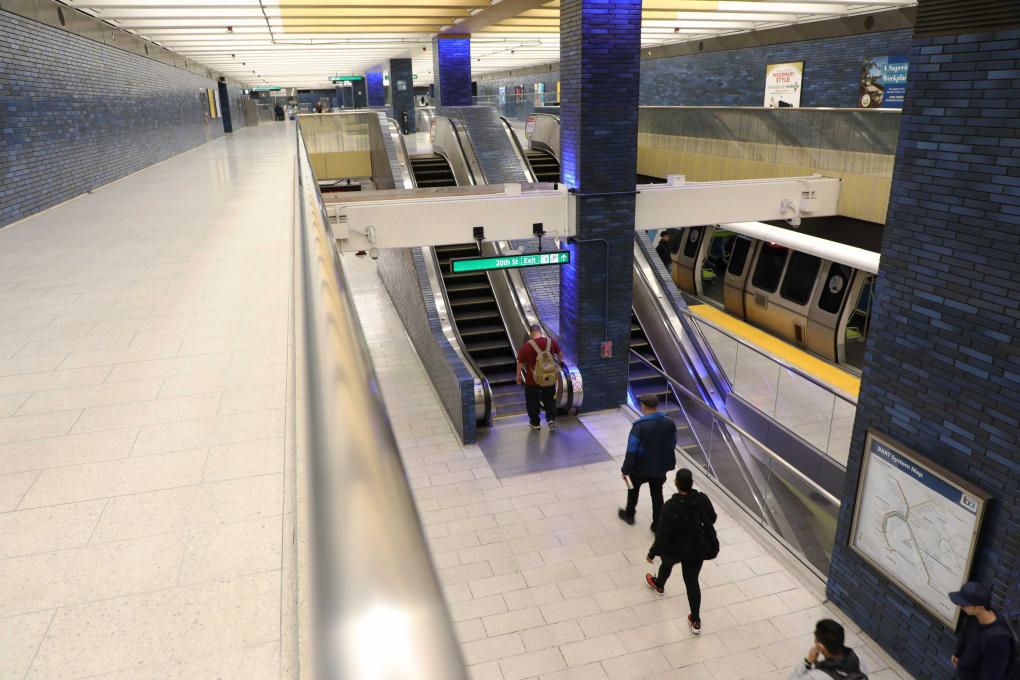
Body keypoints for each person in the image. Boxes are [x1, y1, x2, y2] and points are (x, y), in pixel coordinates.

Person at [644, 468, 715, 634]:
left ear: (676, 484)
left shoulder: (670, 506)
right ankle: (695, 620)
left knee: (666, 564)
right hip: (696, 548)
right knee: (691, 581)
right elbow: (712, 518)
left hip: (674, 548)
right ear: (691, 483)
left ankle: (659, 585)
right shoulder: (702, 499)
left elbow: (662, 534)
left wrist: (652, 552)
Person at [618, 395, 678, 531]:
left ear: (643, 406)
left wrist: (625, 469)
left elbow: (631, 450)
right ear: (656, 406)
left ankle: (629, 515)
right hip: (660, 466)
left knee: (633, 489)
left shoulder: (639, 427)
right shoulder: (669, 423)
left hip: (640, 468)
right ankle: (658, 524)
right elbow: (673, 443)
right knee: (657, 494)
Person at [949, 581, 1015, 680]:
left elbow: (993, 675)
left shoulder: (998, 640)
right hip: (963, 671)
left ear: (980, 607)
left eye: (964, 605)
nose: (961, 607)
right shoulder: (973, 616)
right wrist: (957, 652)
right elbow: (964, 636)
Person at [515, 324, 562, 430]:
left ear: (531, 334)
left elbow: (520, 363)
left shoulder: (527, 346)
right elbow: (560, 353)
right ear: (540, 332)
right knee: (550, 398)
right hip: (549, 378)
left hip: (533, 380)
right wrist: (558, 365)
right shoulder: (551, 341)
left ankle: (535, 423)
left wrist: (518, 376)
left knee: (532, 402)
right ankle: (551, 419)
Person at [789, 619, 868, 679]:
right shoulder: (858, 659)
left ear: (820, 647)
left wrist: (807, 662)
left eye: (816, 640)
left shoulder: (816, 676)